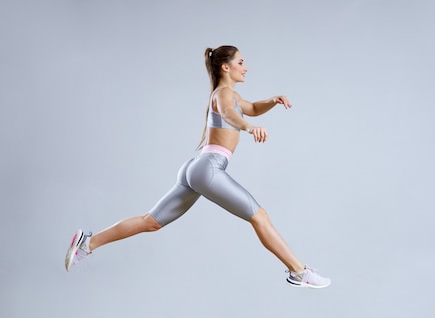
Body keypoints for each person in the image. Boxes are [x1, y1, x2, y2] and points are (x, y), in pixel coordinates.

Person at [65, 45, 330, 289]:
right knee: (259, 217)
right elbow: (231, 115)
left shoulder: (230, 94)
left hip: (197, 168)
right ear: (226, 67)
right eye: (241, 62)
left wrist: (272, 100)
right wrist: (250, 128)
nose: (246, 67)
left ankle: (87, 243)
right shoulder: (224, 95)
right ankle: (299, 271)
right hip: (209, 169)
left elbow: (250, 107)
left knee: (151, 222)